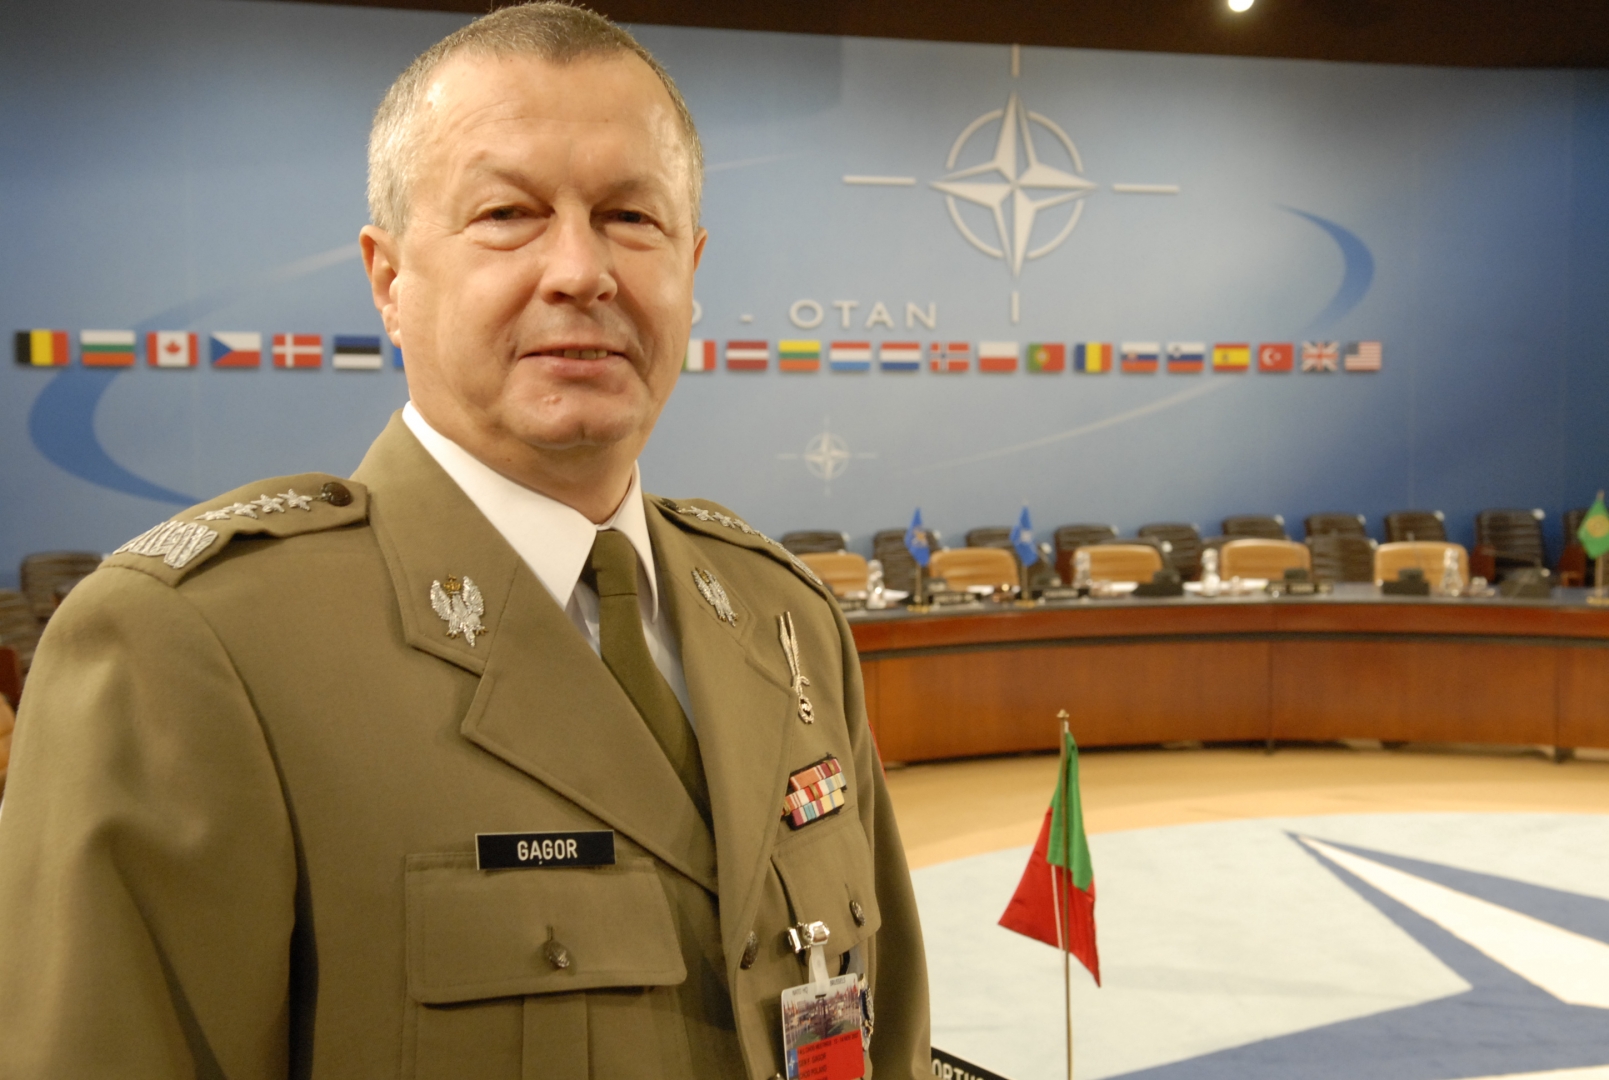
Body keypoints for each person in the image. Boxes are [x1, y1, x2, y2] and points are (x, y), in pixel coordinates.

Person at [0, 5, 930, 1077]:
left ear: (691, 265)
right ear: (389, 279)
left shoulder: (783, 618)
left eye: (631, 217)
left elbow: (884, 1032)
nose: (580, 271)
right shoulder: (191, 651)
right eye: (508, 214)